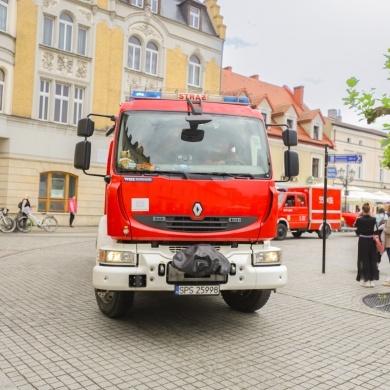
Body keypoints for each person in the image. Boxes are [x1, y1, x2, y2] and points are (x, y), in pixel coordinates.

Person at [354, 203, 379, 287]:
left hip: (363, 240)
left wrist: (359, 216)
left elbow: (356, 229)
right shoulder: (374, 219)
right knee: (372, 259)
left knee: (364, 259)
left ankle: (366, 280)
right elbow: (376, 230)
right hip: (371, 241)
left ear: (363, 210)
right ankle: (372, 280)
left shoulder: (359, 219)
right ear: (369, 210)